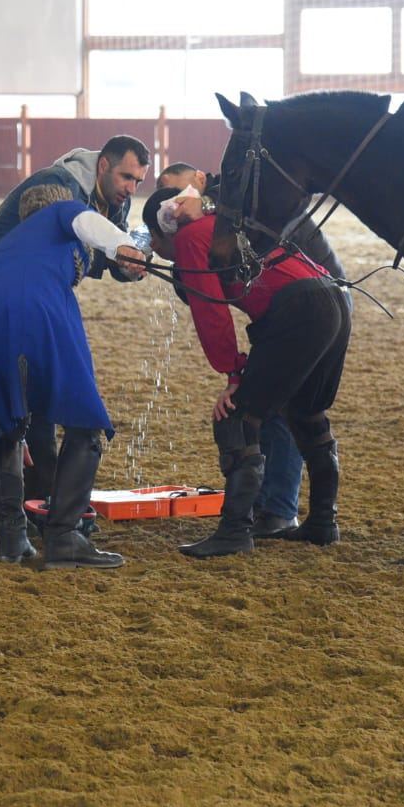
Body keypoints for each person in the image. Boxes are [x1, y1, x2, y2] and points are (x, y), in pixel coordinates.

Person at [145, 163, 349, 540]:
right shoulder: (221, 221)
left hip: (297, 310)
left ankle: (236, 531)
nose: (155, 250)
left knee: (236, 418)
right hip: (332, 300)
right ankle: (322, 523)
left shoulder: (191, 238)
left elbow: (213, 316)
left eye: (155, 240)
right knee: (305, 413)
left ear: (165, 228)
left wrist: (234, 373)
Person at [0, 183, 146, 568]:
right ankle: (64, 537)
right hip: (35, 306)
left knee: (6, 426)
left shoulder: (7, 244)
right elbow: (84, 219)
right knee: (85, 422)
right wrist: (123, 245)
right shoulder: (62, 215)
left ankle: (11, 538)